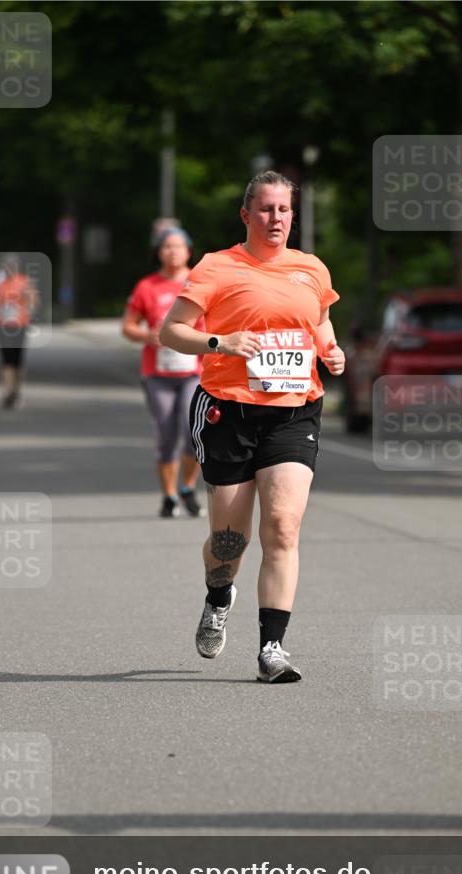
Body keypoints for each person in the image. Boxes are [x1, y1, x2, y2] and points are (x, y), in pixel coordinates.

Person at [160, 170, 345, 683]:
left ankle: (272, 649)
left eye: (284, 210)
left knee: (282, 527)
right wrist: (222, 343)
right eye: (266, 209)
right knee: (228, 542)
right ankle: (219, 596)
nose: (276, 218)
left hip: (294, 410)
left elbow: (320, 321)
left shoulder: (311, 269)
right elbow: (170, 330)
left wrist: (330, 350)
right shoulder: (217, 267)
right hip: (229, 410)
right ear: (247, 215)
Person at [123, 227, 206, 518]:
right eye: (167, 246)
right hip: (157, 373)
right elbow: (128, 326)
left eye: (178, 246)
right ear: (159, 252)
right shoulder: (148, 286)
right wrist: (147, 336)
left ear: (188, 251)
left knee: (193, 431)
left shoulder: (201, 281)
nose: (172, 251)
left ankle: (187, 486)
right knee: (166, 436)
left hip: (194, 371)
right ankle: (169, 496)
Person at [0, 255, 38, 409]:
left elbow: (34, 301)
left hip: (19, 326)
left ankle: (17, 390)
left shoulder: (24, 282)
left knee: (17, 361)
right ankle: (7, 391)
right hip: (3, 327)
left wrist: (29, 304)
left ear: (17, 267)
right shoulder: (0, 286)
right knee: (6, 361)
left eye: (12, 266)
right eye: (7, 266)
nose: (10, 269)